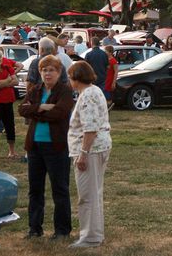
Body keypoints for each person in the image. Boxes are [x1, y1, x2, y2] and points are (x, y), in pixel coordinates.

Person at [19, 55, 75, 239]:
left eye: (51, 70)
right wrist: (42, 107)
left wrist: (35, 112)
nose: (47, 73)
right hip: (34, 146)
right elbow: (21, 109)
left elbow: (60, 113)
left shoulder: (65, 91)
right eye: (44, 70)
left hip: (56, 146)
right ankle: (34, 228)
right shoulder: (35, 90)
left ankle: (62, 230)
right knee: (35, 190)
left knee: (59, 189)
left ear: (59, 73)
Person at [67, 61, 112, 248]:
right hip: (96, 148)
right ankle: (94, 234)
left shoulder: (88, 95)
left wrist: (83, 153)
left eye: (70, 77)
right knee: (94, 193)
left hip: (91, 150)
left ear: (76, 78)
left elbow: (90, 128)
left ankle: (90, 237)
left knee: (87, 195)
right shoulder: (93, 91)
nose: (69, 81)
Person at [103, 45, 118, 110]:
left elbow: (116, 72)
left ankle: (109, 108)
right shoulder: (105, 60)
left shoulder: (113, 61)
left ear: (110, 52)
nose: (104, 52)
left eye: (105, 51)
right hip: (104, 80)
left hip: (110, 81)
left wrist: (113, 82)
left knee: (108, 97)